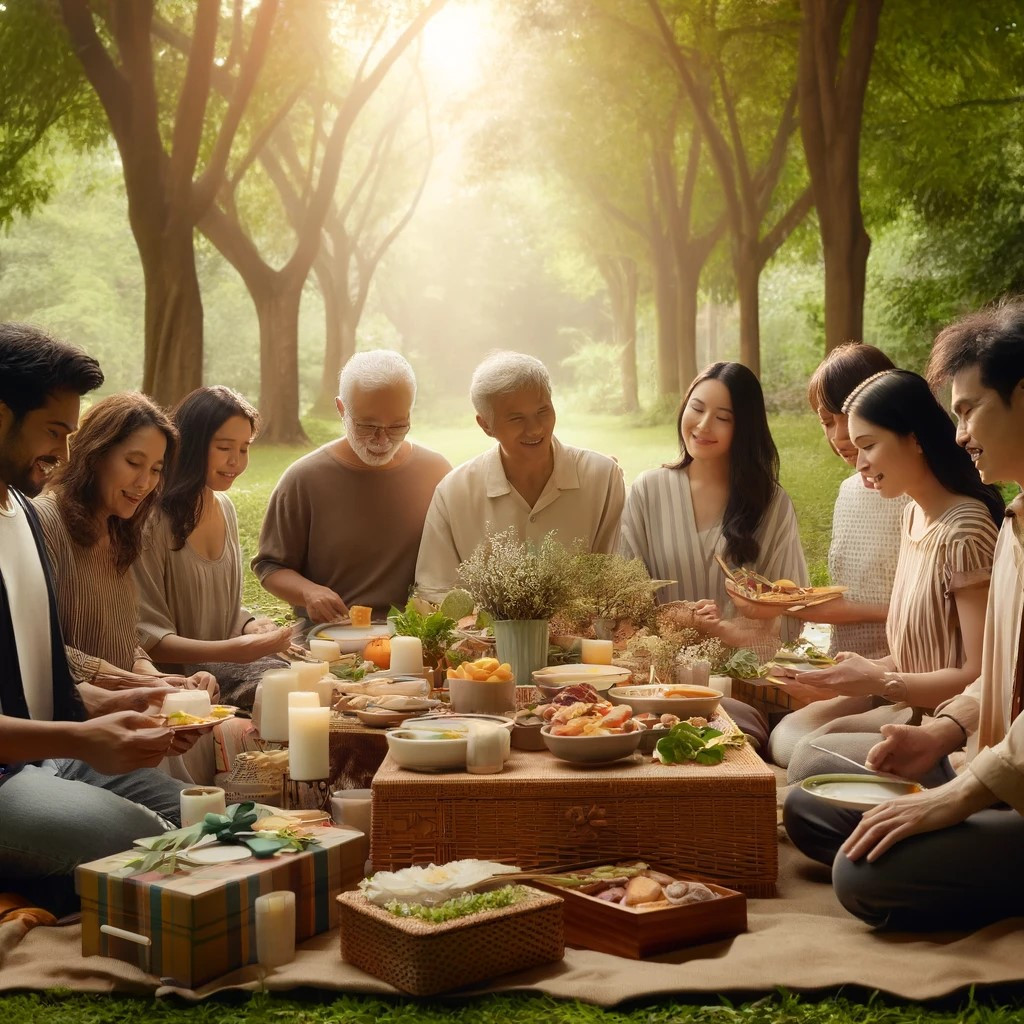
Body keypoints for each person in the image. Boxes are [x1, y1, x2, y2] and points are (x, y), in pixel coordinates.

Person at [782, 302, 1024, 930]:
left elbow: (970, 669)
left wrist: (956, 796)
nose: (960, 432)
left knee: (859, 875)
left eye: (968, 410)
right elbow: (996, 679)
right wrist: (942, 735)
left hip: (1006, 783)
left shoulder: (973, 528)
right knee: (808, 799)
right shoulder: (1017, 525)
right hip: (984, 761)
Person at [0, 323, 188, 913]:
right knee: (153, 845)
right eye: (54, 430)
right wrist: (82, 737)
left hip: (46, 757)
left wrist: (115, 704)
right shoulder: (45, 515)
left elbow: (35, 677)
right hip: (10, 777)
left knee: (216, 817)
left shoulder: (23, 516)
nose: (62, 451)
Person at [780, 370, 1002, 784]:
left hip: (952, 730)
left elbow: (978, 676)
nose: (860, 463)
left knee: (808, 762)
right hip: (912, 709)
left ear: (914, 439)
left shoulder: (965, 533)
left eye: (868, 446)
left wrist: (881, 681)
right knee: (788, 742)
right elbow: (923, 649)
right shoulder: (912, 514)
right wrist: (851, 673)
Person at [32, 392, 223, 784]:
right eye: (133, 463)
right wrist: (142, 684)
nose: (145, 482)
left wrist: (160, 680)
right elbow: (40, 650)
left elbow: (122, 638)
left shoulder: (121, 529)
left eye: (155, 469)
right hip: (67, 735)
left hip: (123, 718)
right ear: (94, 454)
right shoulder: (45, 521)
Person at [766, 344, 910, 768]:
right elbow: (851, 587)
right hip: (853, 672)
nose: (836, 436)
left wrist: (821, 610)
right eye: (825, 422)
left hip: (902, 676)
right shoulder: (849, 491)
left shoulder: (915, 495)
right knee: (784, 738)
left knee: (801, 751)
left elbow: (931, 622)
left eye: (841, 418)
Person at [619, 361, 808, 655]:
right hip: (660, 676)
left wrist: (725, 629)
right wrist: (681, 619)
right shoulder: (648, 491)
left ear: (744, 428)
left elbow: (793, 614)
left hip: (746, 677)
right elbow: (623, 601)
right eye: (697, 408)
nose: (704, 425)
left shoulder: (771, 504)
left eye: (723, 417)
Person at [254, 350, 450, 624]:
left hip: (416, 635)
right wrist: (309, 592)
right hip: (331, 637)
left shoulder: (436, 472)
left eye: (397, 426)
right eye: (367, 425)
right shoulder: (304, 479)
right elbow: (269, 566)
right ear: (341, 409)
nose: (382, 440)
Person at [415, 351, 625, 602]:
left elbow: (618, 582)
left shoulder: (603, 478)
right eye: (516, 418)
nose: (535, 428)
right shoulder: (453, 492)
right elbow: (434, 594)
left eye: (543, 411)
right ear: (485, 425)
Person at [133, 387, 292, 708]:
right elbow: (146, 637)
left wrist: (249, 625)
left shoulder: (225, 508)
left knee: (307, 684)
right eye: (224, 447)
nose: (236, 461)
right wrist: (235, 650)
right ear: (191, 444)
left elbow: (223, 608)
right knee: (281, 697)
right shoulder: (151, 520)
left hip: (228, 667)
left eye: (245, 448)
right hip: (177, 683)